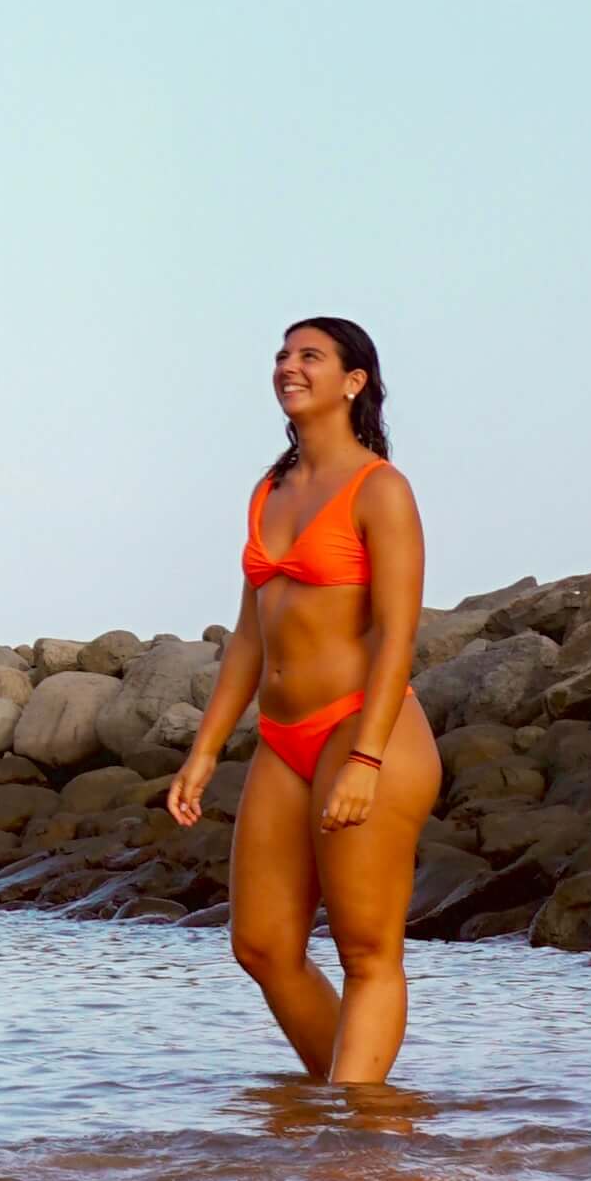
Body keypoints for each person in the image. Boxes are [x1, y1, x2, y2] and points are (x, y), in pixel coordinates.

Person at [166, 315, 441, 1091]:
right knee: (260, 944)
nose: (288, 366)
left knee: (365, 949)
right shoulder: (270, 489)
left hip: (364, 729)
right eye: (282, 355)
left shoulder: (380, 490)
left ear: (352, 382)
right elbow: (249, 635)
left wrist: (366, 758)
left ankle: (355, 1123)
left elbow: (395, 635)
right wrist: (205, 750)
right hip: (282, 739)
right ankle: (353, 1115)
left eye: (309, 356)